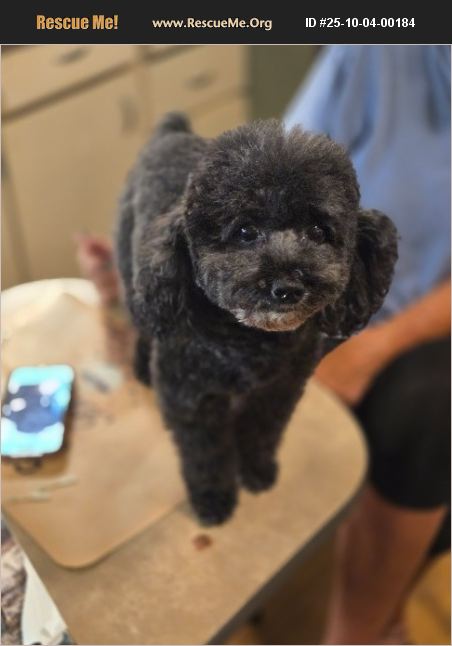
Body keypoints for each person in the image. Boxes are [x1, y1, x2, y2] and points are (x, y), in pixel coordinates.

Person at [76, 45, 450, 644]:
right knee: (180, 386)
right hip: (192, 302)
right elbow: (281, 158)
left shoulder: (329, 292)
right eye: (247, 232)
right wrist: (211, 477)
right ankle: (209, 479)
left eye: (315, 231)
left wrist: (258, 446)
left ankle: (352, 612)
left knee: (301, 394)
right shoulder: (378, 45)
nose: (285, 273)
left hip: (401, 318)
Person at [285, 45, 451, 644]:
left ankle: (360, 630)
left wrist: (371, 351)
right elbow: (283, 180)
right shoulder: (375, 50)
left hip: (426, 327)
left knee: (426, 409)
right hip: (340, 298)